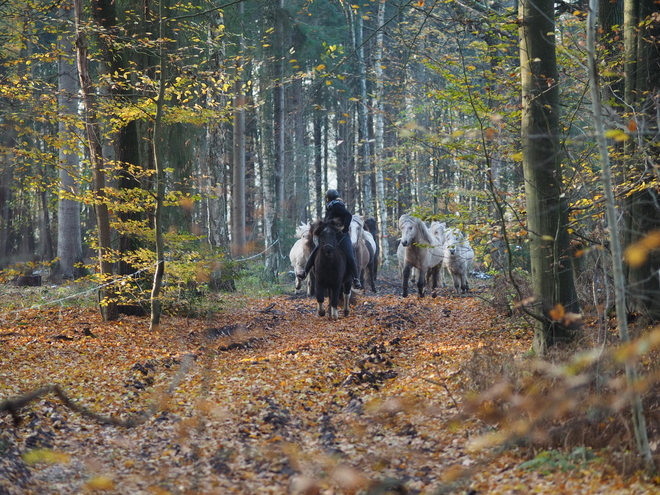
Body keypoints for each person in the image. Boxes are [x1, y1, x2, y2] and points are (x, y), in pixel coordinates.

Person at [299, 189, 363, 290]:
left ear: (327, 198)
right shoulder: (330, 207)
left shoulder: (337, 206)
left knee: (350, 255)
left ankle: (355, 279)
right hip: (330, 237)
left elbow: (348, 215)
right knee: (315, 251)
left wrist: (345, 228)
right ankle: (305, 272)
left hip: (341, 236)